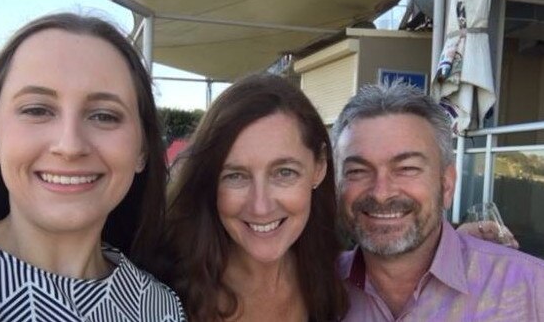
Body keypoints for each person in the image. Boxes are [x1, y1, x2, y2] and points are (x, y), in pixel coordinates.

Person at [0, 13, 184, 321]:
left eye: (104, 116)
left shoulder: (160, 307)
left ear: (142, 149)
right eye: (37, 109)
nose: (70, 145)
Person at [332, 82, 544, 321]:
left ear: (447, 184)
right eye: (358, 171)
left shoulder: (532, 290)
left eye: (407, 168)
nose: (381, 193)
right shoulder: (314, 292)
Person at [149, 73, 348, 321]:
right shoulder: (158, 295)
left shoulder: (336, 275)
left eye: (285, 172)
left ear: (319, 167)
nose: (261, 207)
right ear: (209, 179)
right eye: (236, 176)